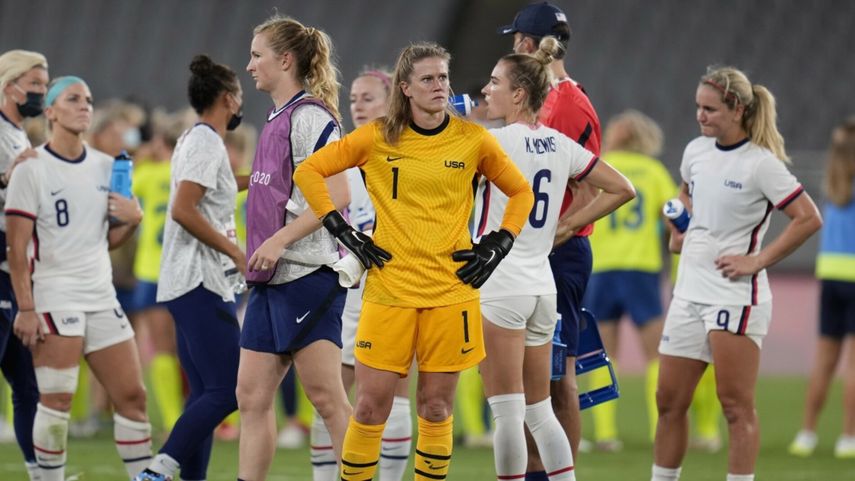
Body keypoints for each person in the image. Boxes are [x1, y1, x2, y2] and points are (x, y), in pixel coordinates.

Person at [294, 41, 535, 481]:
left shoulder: (473, 139)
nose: (439, 85)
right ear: (405, 87)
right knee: (369, 407)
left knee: (437, 407)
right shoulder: (376, 136)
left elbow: (521, 192)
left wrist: (499, 242)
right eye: (428, 78)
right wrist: (342, 229)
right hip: (389, 292)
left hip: (451, 293)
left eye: (443, 77)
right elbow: (308, 171)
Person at [651, 66, 823, 481]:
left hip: (734, 297)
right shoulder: (695, 151)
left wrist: (757, 260)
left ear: (738, 109)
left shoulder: (761, 165)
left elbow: (808, 218)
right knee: (669, 401)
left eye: (710, 109)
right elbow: (686, 195)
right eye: (697, 107)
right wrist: (681, 231)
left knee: (735, 405)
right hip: (688, 293)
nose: (700, 116)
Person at [476, 39, 635, 480]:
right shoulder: (560, 143)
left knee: (507, 414)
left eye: (495, 83)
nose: (487, 91)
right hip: (541, 284)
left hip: (502, 284)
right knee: (540, 409)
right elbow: (623, 188)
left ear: (520, 94)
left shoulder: (491, 143)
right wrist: (565, 227)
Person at [6, 76, 150, 481]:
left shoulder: (107, 166)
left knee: (133, 398)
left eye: (88, 99)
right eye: (73, 99)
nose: (85, 105)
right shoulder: (31, 167)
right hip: (55, 296)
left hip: (101, 296)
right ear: (50, 111)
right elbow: (16, 249)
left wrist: (134, 220)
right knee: (56, 402)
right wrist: (27, 307)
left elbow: (106, 239)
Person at [236, 15, 352, 481]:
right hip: (270, 279)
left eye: (257, 55)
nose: (250, 66)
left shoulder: (310, 117)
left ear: (285, 60)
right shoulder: (277, 117)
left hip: (307, 276)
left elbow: (340, 195)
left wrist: (279, 239)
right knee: (250, 396)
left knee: (327, 399)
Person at [499, 3, 601, 471]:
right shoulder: (558, 99)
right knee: (529, 382)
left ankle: (551, 471)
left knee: (556, 381)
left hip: (555, 254)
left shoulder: (564, 103)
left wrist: (560, 230)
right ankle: (538, 471)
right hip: (540, 253)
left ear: (525, 43)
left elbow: (588, 184)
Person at [133, 54, 246, 481]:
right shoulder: (206, 141)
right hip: (200, 278)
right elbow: (184, 208)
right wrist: (234, 252)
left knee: (203, 392)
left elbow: (210, 189)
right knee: (227, 389)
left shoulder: (193, 138)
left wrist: (259, 179)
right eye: (239, 96)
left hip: (186, 280)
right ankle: (158, 469)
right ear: (228, 98)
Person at [310, 67, 414, 481]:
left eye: (368, 98)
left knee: (384, 394)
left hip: (386, 284)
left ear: (391, 101)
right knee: (335, 393)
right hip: (353, 287)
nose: (357, 105)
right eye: (353, 98)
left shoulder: (403, 152)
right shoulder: (345, 152)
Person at [583, 110, 675, 450]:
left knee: (603, 353)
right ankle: (659, 430)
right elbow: (672, 217)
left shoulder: (598, 164)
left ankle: (606, 434)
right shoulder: (653, 171)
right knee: (655, 354)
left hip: (602, 267)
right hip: (640, 269)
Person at [789, 117, 855, 459]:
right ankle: (848, 438)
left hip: (830, 276)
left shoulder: (833, 182)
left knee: (824, 361)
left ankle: (807, 433)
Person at [0, 48, 48, 481]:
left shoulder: (19, 135)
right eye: (33, 84)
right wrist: (11, 174)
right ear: (9, 84)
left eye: (43, 85)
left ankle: (37, 473)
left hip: (15, 273)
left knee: (27, 387)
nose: (39, 92)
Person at [130, 111, 186, 436]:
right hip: (188, 270)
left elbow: (121, 192)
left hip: (153, 270)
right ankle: (212, 417)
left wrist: (144, 155)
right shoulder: (190, 174)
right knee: (190, 346)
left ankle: (172, 420)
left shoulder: (148, 174)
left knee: (162, 348)